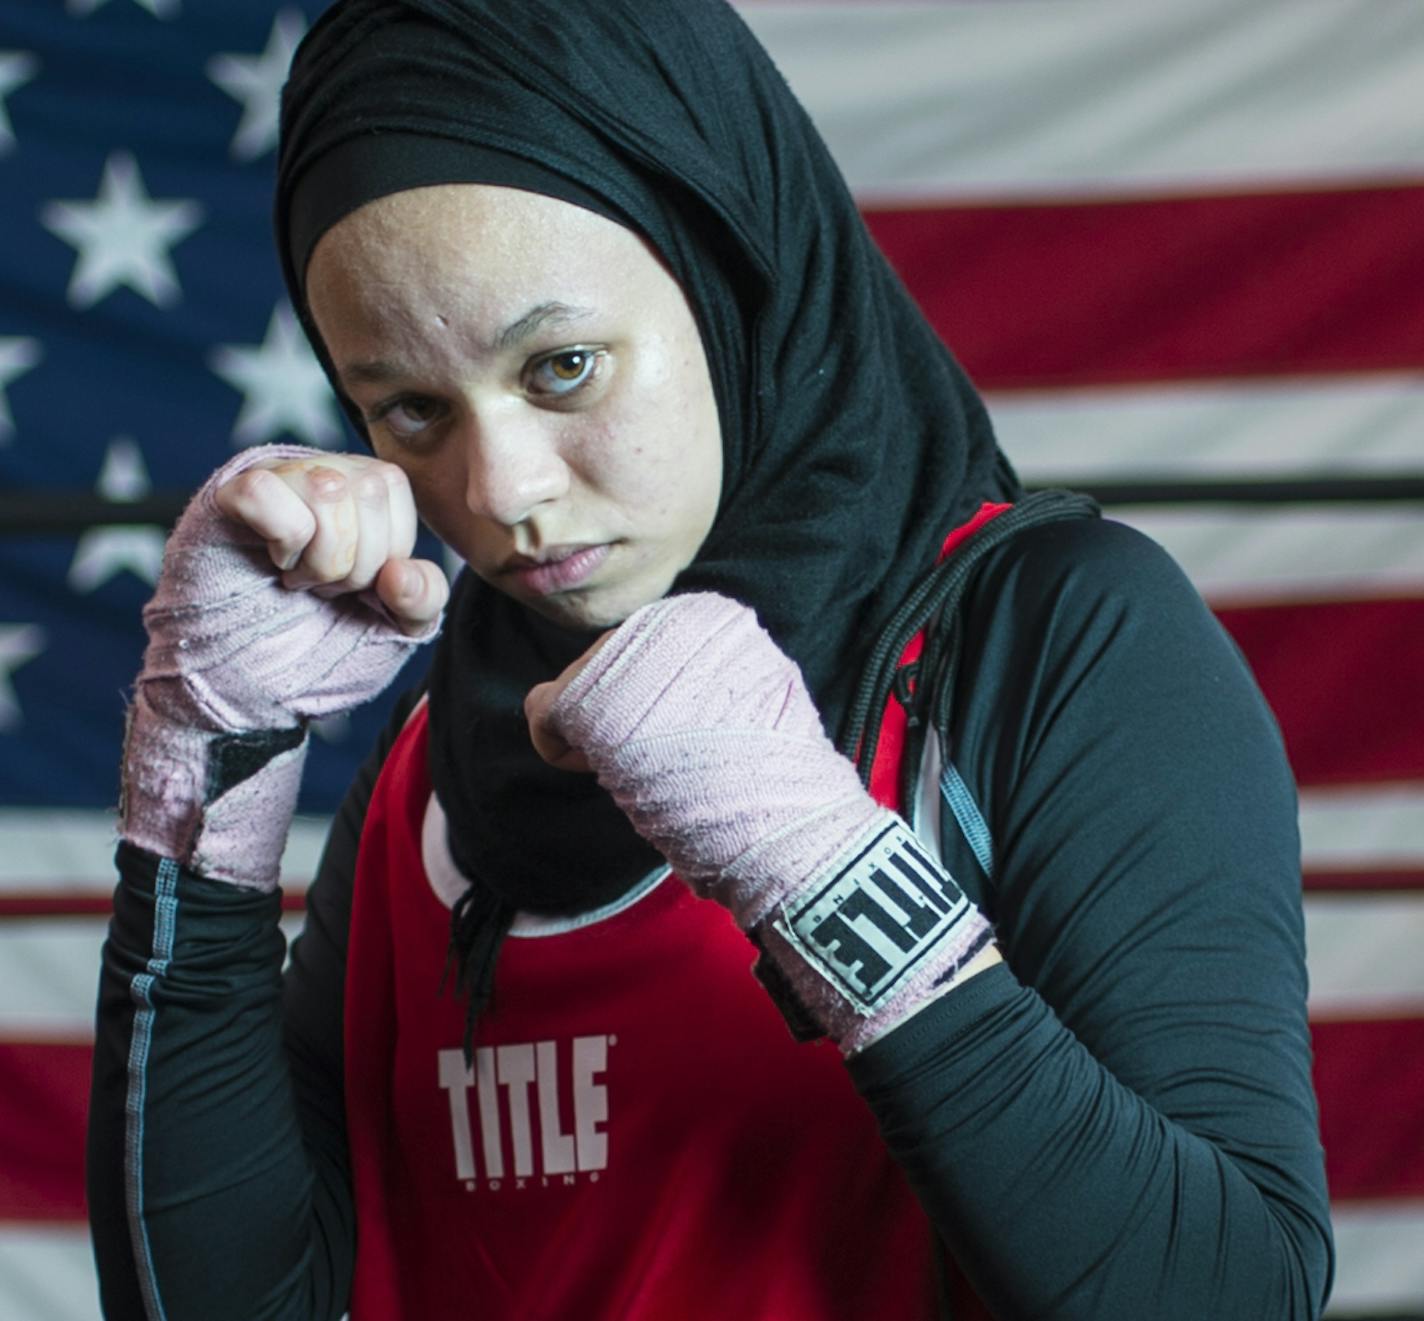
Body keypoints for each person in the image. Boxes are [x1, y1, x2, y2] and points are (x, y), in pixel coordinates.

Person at [86, 1, 1334, 1317]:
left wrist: (823, 864)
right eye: (411, 408)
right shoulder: (440, 765)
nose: (499, 487)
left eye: (564, 366)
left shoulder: (1054, 640)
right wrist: (202, 793)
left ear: (731, 275)